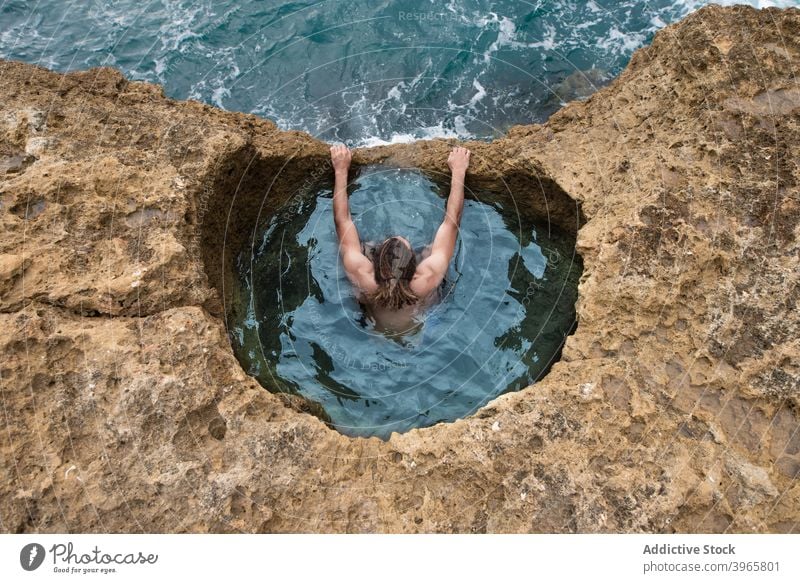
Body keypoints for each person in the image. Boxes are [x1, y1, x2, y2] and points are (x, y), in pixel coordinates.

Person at [330, 143, 470, 337]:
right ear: (414, 268)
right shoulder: (426, 278)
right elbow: (451, 223)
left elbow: (342, 220)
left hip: (374, 329)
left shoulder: (363, 276)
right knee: (431, 252)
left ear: (375, 264)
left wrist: (340, 169)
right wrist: (459, 171)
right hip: (417, 329)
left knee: (361, 247)